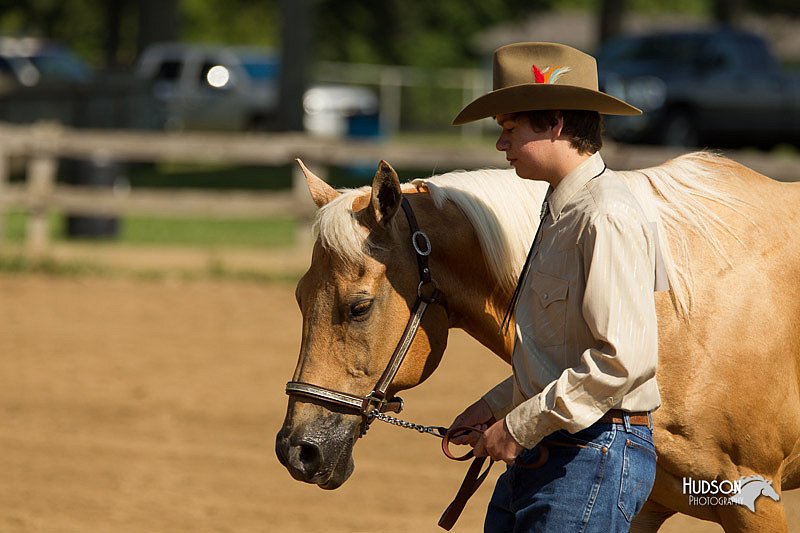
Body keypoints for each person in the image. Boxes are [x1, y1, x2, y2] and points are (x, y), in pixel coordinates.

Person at [448, 42, 666, 532]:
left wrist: (520, 425)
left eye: (510, 129)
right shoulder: (563, 210)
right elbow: (565, 349)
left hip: (591, 452)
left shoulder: (605, 215)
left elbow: (622, 360)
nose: (500, 145)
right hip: (563, 447)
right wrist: (495, 407)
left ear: (556, 124)